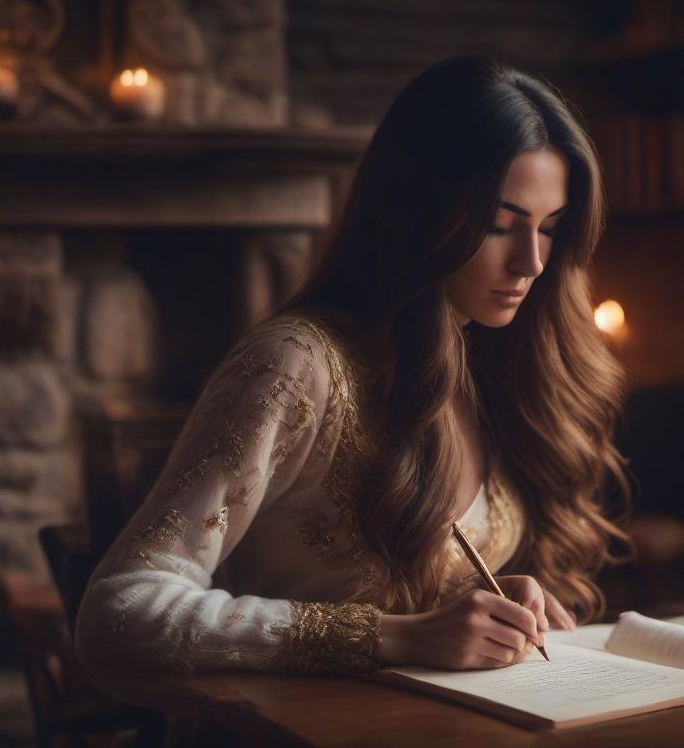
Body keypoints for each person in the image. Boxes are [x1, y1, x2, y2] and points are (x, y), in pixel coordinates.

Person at [75, 55, 630, 689]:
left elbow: (411, 571)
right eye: (498, 225)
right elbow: (118, 613)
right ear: (420, 213)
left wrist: (471, 600)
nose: (530, 262)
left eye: (549, 230)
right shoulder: (294, 368)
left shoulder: (485, 363)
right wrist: (395, 635)